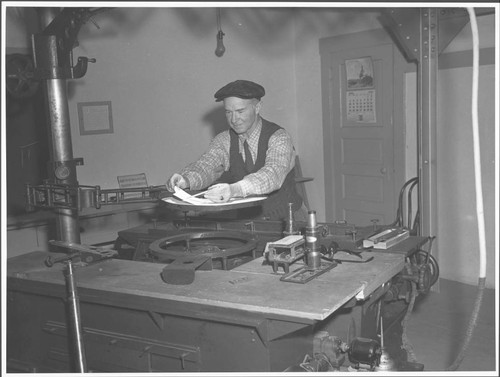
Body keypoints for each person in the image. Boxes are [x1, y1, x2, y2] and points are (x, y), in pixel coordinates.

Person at [166, 79, 304, 221]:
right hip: (248, 221)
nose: (234, 119)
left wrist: (234, 190)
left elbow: (273, 174)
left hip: (288, 219)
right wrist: (187, 180)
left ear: (257, 108)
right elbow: (207, 165)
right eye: (228, 112)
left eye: (240, 111)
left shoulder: (279, 137)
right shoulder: (224, 139)